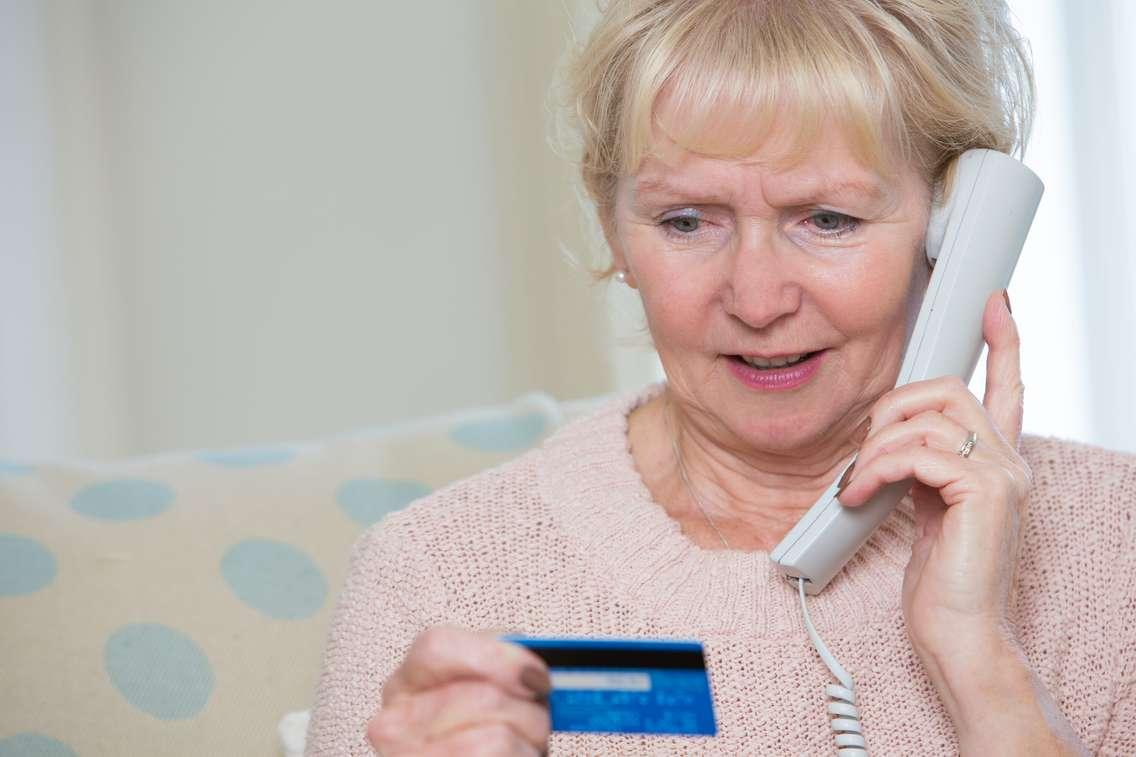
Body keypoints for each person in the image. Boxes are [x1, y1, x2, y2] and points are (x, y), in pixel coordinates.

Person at [306, 1, 1135, 754]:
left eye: (828, 218)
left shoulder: (1113, 543)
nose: (756, 298)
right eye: (687, 221)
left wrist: (981, 661)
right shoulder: (438, 578)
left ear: (954, 235)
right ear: (615, 233)